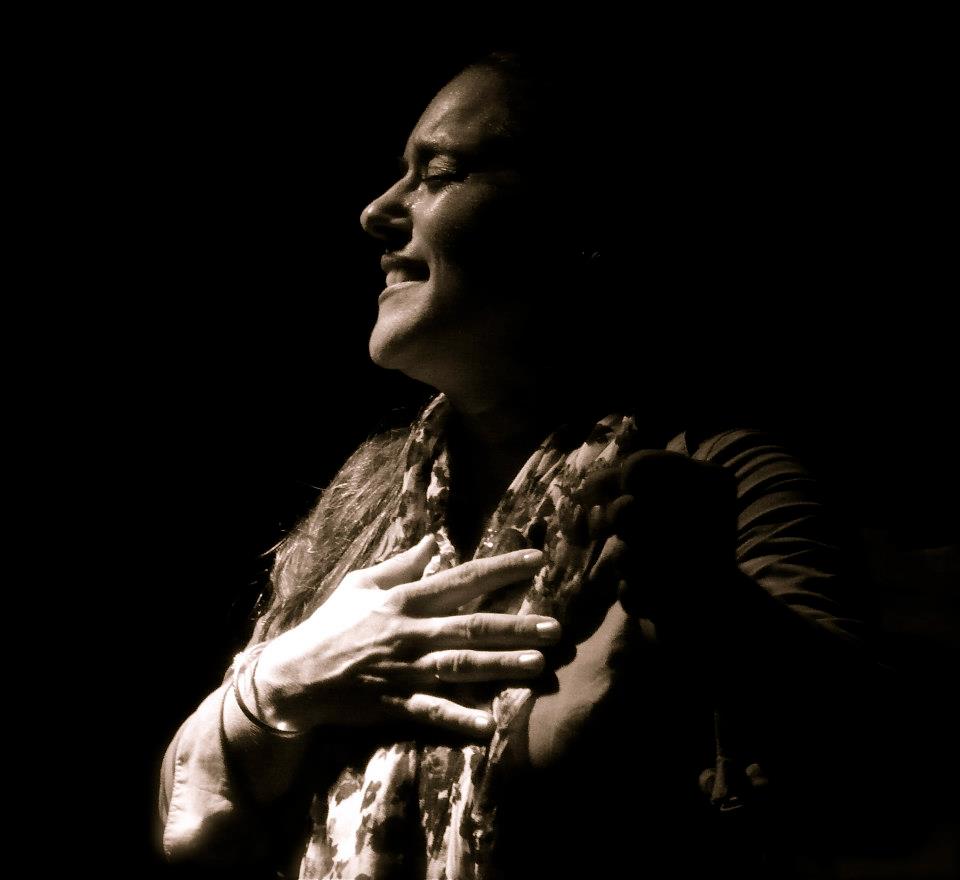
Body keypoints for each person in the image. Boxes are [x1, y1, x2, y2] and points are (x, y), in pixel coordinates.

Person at [158, 51, 887, 878]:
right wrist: (273, 688)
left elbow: (881, 783)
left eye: (438, 173)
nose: (378, 211)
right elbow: (185, 814)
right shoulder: (363, 502)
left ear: (578, 226)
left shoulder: (716, 477)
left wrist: (716, 606)